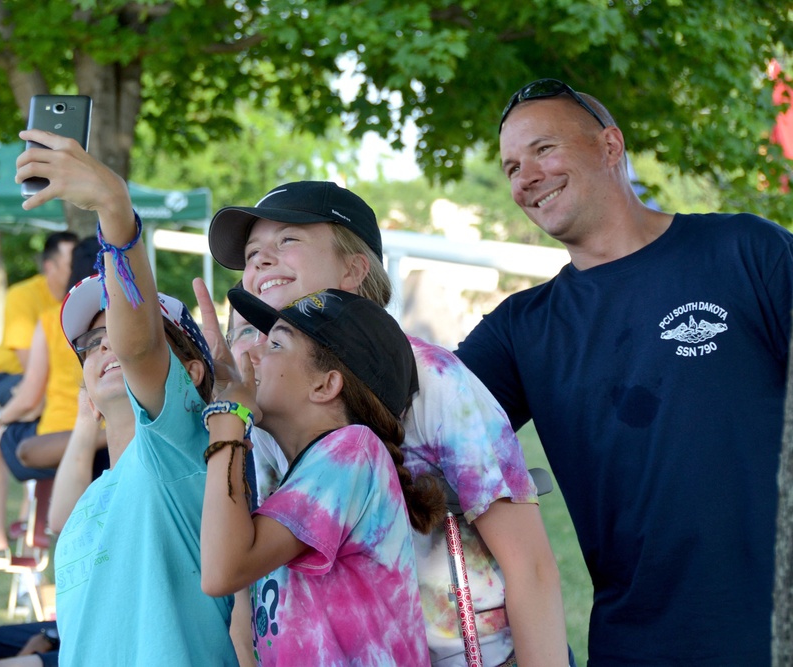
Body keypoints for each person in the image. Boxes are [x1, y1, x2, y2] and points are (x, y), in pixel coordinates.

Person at [454, 78, 793, 665]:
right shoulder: (520, 330)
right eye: (511, 167)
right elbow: (407, 422)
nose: (525, 177)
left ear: (611, 146)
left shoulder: (746, 251)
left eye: (543, 150)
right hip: (636, 648)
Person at [203, 180, 567, 666]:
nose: (260, 261)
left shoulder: (435, 379)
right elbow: (255, 572)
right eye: (251, 253)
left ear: (355, 269)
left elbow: (532, 567)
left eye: (287, 240)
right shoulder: (269, 397)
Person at [17, 132, 239, 665]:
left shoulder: (180, 451)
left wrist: (115, 212)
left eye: (115, 334)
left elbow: (138, 344)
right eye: (89, 345)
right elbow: (58, 525)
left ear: (188, 374)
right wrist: (84, 419)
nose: (107, 346)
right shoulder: (99, 495)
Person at [202, 287, 445, 664]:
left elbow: (222, 570)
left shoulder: (352, 451)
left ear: (325, 385)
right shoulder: (312, 472)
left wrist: (229, 419)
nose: (253, 354)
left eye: (276, 345)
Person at [0, 238, 99, 565]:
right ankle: (29, 519)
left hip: (60, 436)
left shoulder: (53, 318)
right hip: (116, 437)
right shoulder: (134, 318)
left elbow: (30, 395)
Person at [0, 231, 78, 407]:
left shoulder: (77, 298)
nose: (78, 269)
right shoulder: (22, 295)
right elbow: (30, 368)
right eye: (71, 264)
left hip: (50, 378)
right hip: (6, 378)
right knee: (42, 401)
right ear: (49, 267)